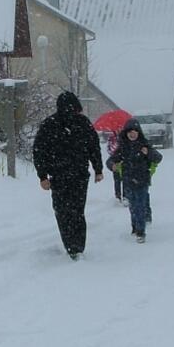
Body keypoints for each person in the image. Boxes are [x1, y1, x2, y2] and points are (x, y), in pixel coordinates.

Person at [32, 91, 104, 259]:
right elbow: (94, 147)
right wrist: (98, 169)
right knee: (76, 211)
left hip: (61, 176)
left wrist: (42, 176)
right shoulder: (80, 123)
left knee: (64, 211)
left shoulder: (49, 124)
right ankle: (77, 246)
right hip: (75, 175)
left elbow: (39, 151)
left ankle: (72, 246)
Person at [106, 118, 162, 243]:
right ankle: (135, 226)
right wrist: (112, 165)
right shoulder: (123, 148)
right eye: (129, 131)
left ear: (139, 133)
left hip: (142, 180)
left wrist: (148, 153)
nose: (132, 134)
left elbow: (158, 157)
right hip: (128, 180)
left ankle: (141, 231)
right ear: (126, 133)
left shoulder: (144, 145)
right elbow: (110, 160)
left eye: (135, 131)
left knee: (140, 205)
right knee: (133, 205)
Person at [106, 130, 126, 204]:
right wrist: (112, 165)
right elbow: (110, 159)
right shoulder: (118, 150)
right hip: (117, 167)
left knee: (126, 182)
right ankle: (118, 196)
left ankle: (125, 196)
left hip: (127, 168)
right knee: (117, 181)